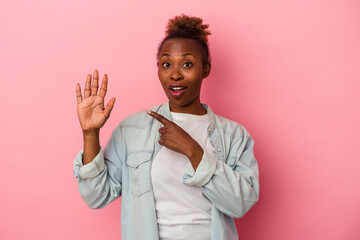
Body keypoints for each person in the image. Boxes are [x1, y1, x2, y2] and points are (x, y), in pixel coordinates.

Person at [73, 14, 259, 240]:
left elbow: (240, 204)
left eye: (187, 64)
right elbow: (96, 196)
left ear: (206, 69)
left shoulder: (235, 136)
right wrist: (90, 134)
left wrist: (193, 150)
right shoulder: (132, 129)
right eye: (167, 64)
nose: (175, 74)